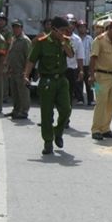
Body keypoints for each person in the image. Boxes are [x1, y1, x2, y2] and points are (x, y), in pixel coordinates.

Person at [23, 16, 75, 155]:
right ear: (54, 29)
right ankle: (48, 142)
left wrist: (63, 42)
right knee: (46, 114)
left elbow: (71, 55)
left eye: (66, 30)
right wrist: (26, 75)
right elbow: (31, 60)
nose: (64, 32)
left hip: (62, 80)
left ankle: (58, 132)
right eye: (62, 30)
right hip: (47, 81)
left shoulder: (66, 41)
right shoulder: (42, 42)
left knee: (66, 110)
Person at [88, 20, 112, 140]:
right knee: (100, 103)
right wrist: (91, 76)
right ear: (111, 29)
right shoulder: (99, 40)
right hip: (100, 76)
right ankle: (96, 129)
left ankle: (105, 128)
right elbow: (93, 58)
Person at [5, 19, 32, 120]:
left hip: (21, 71)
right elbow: (11, 54)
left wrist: (26, 73)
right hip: (13, 71)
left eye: (18, 27)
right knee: (15, 93)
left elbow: (29, 58)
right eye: (14, 27)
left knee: (23, 93)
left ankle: (24, 112)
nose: (15, 29)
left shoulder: (25, 40)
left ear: (21, 28)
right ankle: (16, 110)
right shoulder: (13, 39)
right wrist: (8, 67)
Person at [65, 17, 85, 106]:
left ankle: (67, 109)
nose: (70, 26)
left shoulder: (77, 39)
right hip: (59, 69)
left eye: (72, 24)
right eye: (68, 23)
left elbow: (80, 57)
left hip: (72, 70)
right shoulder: (59, 37)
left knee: (69, 92)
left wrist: (81, 71)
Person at [77, 20, 95, 105]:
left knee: (90, 83)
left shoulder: (90, 39)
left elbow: (93, 51)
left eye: (84, 27)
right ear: (78, 28)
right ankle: (80, 99)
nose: (82, 29)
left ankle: (91, 99)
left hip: (88, 64)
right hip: (79, 65)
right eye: (80, 27)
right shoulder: (76, 39)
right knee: (78, 82)